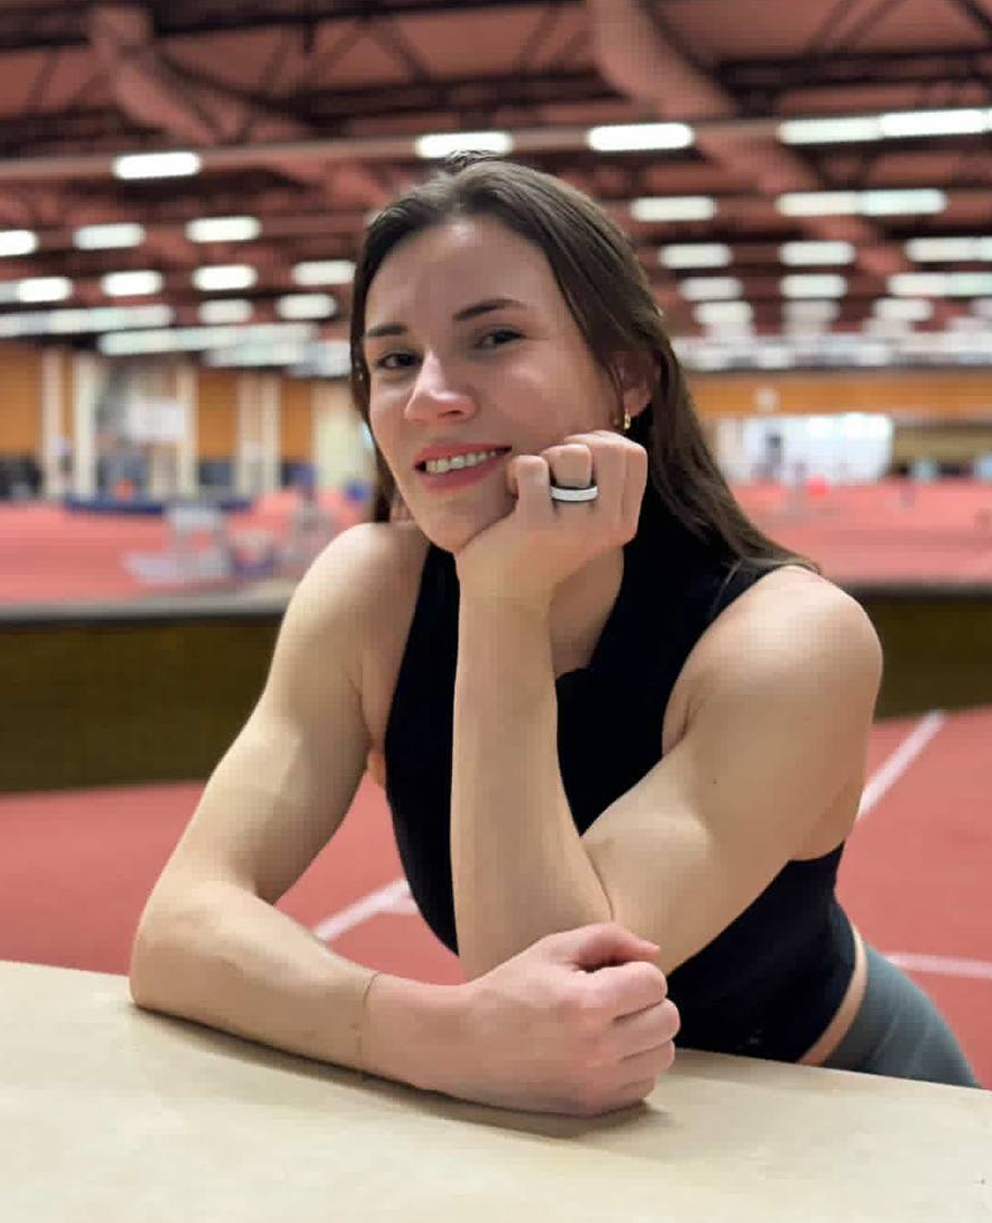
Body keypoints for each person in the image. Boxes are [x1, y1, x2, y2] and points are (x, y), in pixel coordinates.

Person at [130, 157, 980, 1116]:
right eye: (395, 360)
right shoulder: (372, 595)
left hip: (839, 1103)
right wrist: (424, 1032)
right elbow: (178, 926)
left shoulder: (792, 639)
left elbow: (559, 986)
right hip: (584, 1131)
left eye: (494, 338)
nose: (431, 395)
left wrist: (502, 598)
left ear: (627, 375)